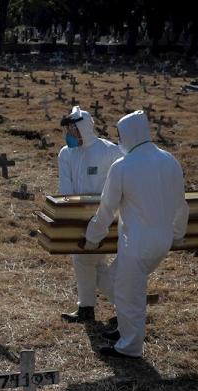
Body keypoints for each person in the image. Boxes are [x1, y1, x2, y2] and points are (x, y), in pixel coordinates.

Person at [84, 111, 189, 358]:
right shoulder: (169, 160)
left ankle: (130, 347)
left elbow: (106, 208)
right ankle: (124, 329)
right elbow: (180, 203)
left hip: (136, 242)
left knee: (130, 295)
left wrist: (93, 236)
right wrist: (178, 233)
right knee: (115, 278)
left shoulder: (123, 166)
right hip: (161, 240)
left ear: (128, 134)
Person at [58, 106, 124, 323]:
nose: (69, 134)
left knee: (87, 261)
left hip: (106, 216)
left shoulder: (109, 151)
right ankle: (99, 307)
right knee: (87, 261)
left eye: (72, 129)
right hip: (78, 218)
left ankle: (127, 305)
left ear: (83, 128)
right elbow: (65, 190)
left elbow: (123, 179)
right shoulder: (66, 153)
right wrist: (69, 216)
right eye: (67, 130)